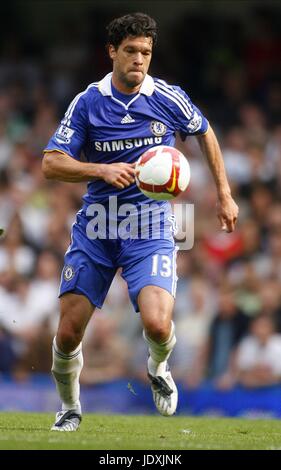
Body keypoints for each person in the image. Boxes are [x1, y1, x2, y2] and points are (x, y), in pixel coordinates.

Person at [42, 12, 238, 431]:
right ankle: (70, 407)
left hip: (149, 225)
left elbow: (204, 131)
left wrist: (224, 194)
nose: (139, 59)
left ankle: (159, 367)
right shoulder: (88, 102)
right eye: (130, 51)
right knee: (68, 334)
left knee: (157, 322)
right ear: (112, 51)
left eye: (146, 52)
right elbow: (50, 163)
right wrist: (101, 171)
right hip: (98, 225)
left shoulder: (168, 97)